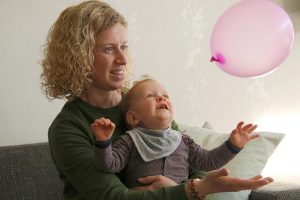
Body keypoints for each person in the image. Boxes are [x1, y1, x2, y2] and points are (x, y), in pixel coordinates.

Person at [40, 1, 273, 200]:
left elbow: (194, 164)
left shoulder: (143, 102)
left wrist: (189, 187)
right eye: (109, 49)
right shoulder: (67, 128)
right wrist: (190, 190)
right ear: (79, 56)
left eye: (124, 47)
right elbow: (115, 197)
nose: (123, 59)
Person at [91, 78, 259, 188]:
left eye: (165, 96)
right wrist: (103, 142)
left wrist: (233, 145)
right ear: (133, 117)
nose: (162, 99)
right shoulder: (129, 141)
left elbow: (209, 161)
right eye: (151, 96)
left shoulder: (184, 141)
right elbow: (109, 165)